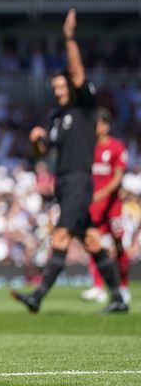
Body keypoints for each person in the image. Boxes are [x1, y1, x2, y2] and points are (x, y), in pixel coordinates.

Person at [11, 9, 128, 314]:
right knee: (91, 239)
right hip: (64, 184)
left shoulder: (85, 107)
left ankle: (37, 297)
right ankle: (117, 297)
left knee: (61, 235)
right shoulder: (56, 117)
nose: (59, 91)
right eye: (56, 89)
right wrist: (37, 140)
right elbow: (42, 152)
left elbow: (77, 74)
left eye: (63, 87)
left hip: (78, 179)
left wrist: (68, 39)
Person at [81, 108, 130, 304]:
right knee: (92, 243)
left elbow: (118, 178)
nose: (95, 127)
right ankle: (98, 287)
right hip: (94, 207)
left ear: (106, 126)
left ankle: (124, 287)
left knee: (119, 245)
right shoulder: (88, 148)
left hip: (113, 206)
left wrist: (101, 194)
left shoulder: (117, 148)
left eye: (98, 123)